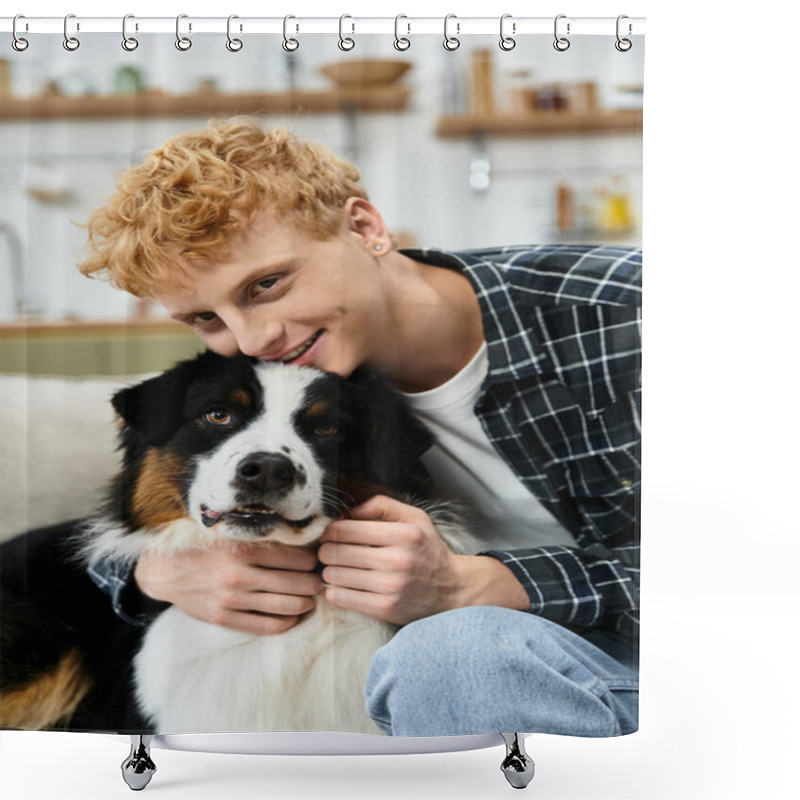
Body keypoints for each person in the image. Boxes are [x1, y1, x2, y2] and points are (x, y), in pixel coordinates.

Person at [77, 118, 641, 737]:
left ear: (365, 228)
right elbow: (139, 500)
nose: (252, 338)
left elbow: (738, 574)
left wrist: (480, 584)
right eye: (207, 317)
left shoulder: (624, 312)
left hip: (666, 667)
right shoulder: (292, 390)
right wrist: (152, 573)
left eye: (268, 284)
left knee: (453, 652)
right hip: (452, 677)